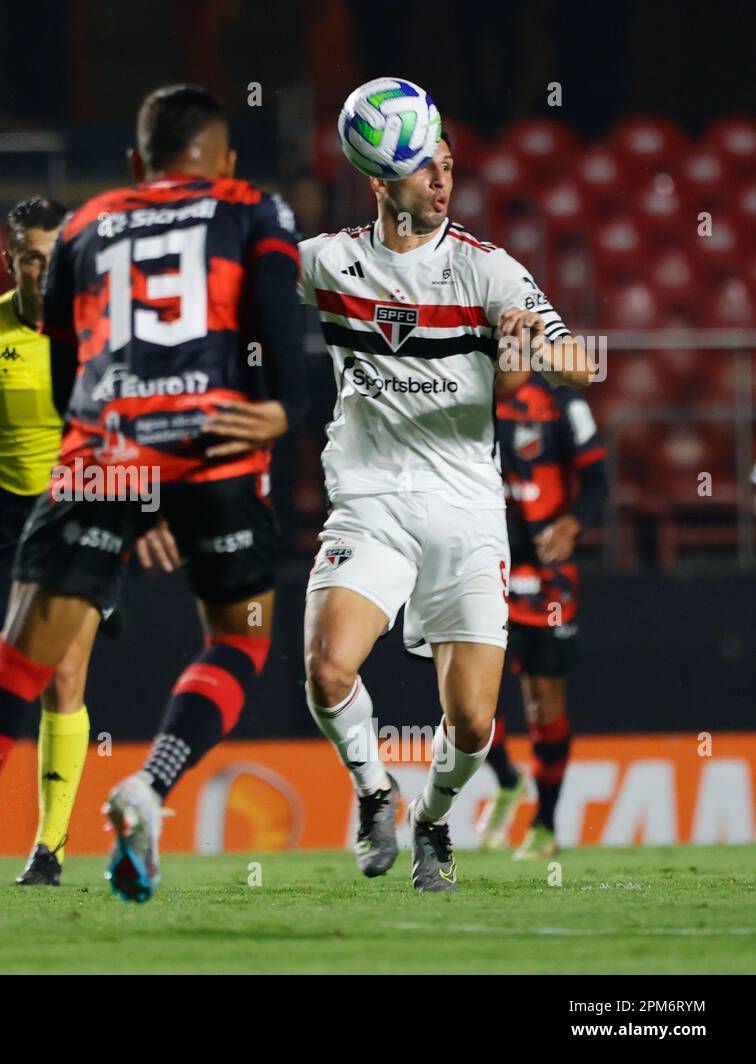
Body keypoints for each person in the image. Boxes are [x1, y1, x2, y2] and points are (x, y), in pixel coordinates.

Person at [0, 84, 306, 930]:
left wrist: (123, 482)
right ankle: (150, 783)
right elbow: (280, 331)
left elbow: (70, 374)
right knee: (242, 639)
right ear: (225, 162)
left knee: (17, 669)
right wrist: (288, 406)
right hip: (216, 446)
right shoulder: (255, 207)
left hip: (103, 452)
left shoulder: (87, 225)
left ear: (138, 164)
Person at [296, 122, 597, 893]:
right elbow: (244, 279)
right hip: (370, 501)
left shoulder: (486, 269)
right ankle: (374, 792)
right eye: (426, 167)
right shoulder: (329, 262)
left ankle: (432, 819)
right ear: (380, 179)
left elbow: (581, 363)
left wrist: (537, 348)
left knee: (469, 720)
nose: (442, 180)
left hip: (465, 509)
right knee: (328, 668)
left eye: (450, 167)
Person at [0, 196, 121, 886]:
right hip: (5, 522)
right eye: (30, 258)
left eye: (54, 255)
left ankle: (50, 850)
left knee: (65, 676)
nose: (43, 269)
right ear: (10, 261)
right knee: (8, 684)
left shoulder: (105, 327)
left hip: (81, 513)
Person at [476, 370, 606, 859]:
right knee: (469, 698)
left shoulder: (560, 403)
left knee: (543, 700)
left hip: (547, 577)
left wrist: (572, 524)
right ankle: (507, 780)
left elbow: (597, 482)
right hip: (484, 565)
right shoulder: (463, 391)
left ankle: (546, 824)